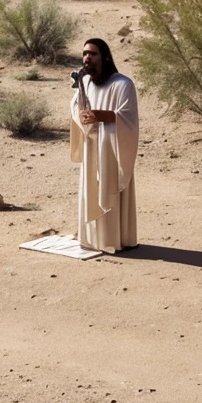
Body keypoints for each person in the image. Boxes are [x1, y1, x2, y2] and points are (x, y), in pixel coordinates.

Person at [69, 38, 139, 253]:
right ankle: (91, 238)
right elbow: (75, 107)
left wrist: (101, 115)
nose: (87, 58)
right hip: (92, 146)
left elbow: (128, 118)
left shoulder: (123, 84)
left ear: (105, 57)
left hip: (111, 148)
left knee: (109, 190)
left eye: (93, 54)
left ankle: (115, 239)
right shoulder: (86, 82)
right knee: (91, 188)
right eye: (84, 54)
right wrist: (83, 113)